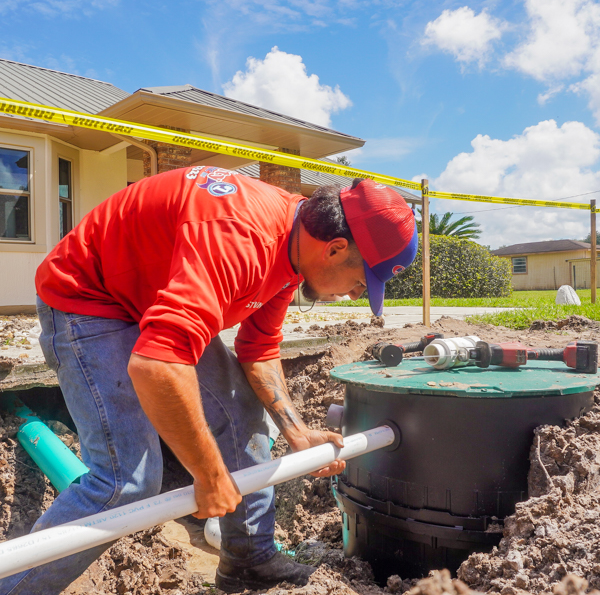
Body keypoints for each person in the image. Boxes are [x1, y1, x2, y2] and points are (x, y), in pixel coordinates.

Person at [0, 166, 417, 594]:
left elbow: (259, 347)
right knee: (127, 482)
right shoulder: (242, 237)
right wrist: (209, 472)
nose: (352, 295)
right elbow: (157, 365)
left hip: (151, 300)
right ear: (335, 249)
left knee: (241, 412)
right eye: (360, 282)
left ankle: (249, 560)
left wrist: (295, 430)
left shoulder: (295, 246)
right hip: (89, 296)